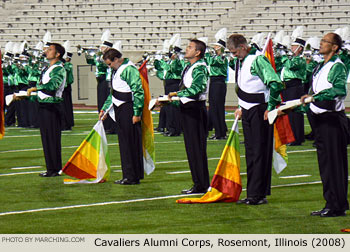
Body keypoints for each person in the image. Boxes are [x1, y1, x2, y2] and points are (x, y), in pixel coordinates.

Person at [227, 34, 283, 205]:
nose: (233, 55)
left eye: (235, 51)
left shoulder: (258, 60)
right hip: (248, 110)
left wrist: (271, 107)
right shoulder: (241, 62)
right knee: (251, 152)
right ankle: (254, 192)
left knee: (259, 153)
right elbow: (245, 86)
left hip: (260, 111)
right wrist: (241, 106)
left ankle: (257, 194)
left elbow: (275, 83)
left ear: (243, 46)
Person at [301, 33, 348, 217]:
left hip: (332, 121)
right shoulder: (321, 66)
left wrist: (314, 97)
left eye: (325, 41)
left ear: (335, 47)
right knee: (325, 164)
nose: (320, 44)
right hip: (321, 121)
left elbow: (338, 90)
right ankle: (331, 202)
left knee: (334, 164)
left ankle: (336, 205)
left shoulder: (337, 66)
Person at [167, 39, 210, 194]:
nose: (186, 49)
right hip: (189, 110)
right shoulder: (190, 66)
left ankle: (201, 184)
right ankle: (199, 183)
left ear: (198, 52)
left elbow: (197, 89)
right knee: (192, 149)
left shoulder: (200, 67)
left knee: (196, 149)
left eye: (190, 47)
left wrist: (177, 94)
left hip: (195, 111)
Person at [99, 48, 144, 185]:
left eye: (110, 63)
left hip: (128, 109)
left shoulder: (129, 69)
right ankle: (129, 174)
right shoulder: (117, 70)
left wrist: (137, 113)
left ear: (117, 59)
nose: (109, 66)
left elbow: (138, 91)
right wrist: (105, 109)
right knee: (124, 142)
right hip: (120, 109)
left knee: (130, 143)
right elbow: (114, 93)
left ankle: (132, 176)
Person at [27, 43, 67, 177]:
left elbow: (52, 85)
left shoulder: (58, 69)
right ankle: (52, 168)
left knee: (52, 138)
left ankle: (54, 169)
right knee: (47, 138)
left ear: (57, 54)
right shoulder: (47, 68)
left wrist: (36, 88)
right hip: (44, 106)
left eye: (50, 50)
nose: (46, 51)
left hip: (52, 107)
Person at [280, 33, 307, 146]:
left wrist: (283, 55)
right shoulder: (292, 58)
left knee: (295, 113)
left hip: (295, 87)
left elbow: (290, 65)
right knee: (290, 113)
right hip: (288, 87)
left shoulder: (300, 59)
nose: (291, 48)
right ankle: (294, 137)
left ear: (300, 48)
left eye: (294, 46)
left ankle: (296, 138)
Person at [206, 28, 229, 140]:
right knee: (214, 107)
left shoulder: (222, 57)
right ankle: (220, 130)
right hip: (214, 82)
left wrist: (209, 55)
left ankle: (220, 132)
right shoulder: (216, 56)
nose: (214, 47)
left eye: (216, 46)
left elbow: (213, 62)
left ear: (220, 47)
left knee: (217, 108)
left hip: (219, 83)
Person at [61, 50, 74, 130]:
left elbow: (65, 69)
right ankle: (63, 123)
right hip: (62, 87)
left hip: (66, 87)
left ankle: (67, 123)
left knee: (66, 106)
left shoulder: (68, 65)